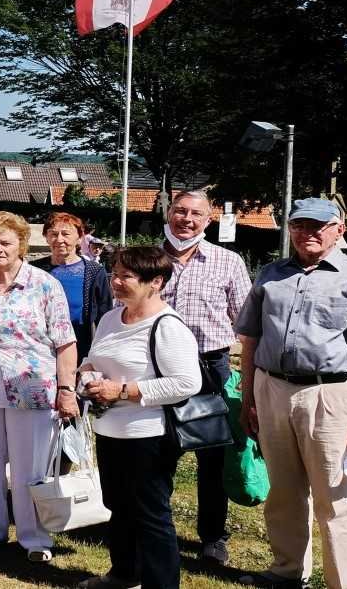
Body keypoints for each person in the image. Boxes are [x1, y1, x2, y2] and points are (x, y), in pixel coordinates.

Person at [235, 198, 347, 589]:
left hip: (331, 395)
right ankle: (287, 571)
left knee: (333, 498)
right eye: (300, 224)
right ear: (289, 229)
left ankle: (346, 584)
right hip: (271, 388)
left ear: (339, 229)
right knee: (283, 493)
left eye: (319, 225)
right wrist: (249, 397)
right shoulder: (270, 275)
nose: (309, 232)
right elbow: (250, 340)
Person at [78, 246, 202, 589]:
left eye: (125, 276)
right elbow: (92, 359)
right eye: (113, 274)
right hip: (109, 430)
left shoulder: (167, 326)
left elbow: (186, 383)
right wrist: (87, 377)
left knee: (150, 516)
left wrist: (122, 391)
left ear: (155, 282)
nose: (115, 282)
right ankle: (123, 575)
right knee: (118, 506)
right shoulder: (109, 319)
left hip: (149, 435)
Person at [0, 211, 79, 559]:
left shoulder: (44, 284)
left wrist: (66, 389)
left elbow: (65, 342)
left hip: (32, 386)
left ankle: (35, 539)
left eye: (5, 242)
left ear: (21, 244)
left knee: (30, 466)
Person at [158, 189, 252, 564]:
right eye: (180, 211)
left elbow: (246, 322)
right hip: (157, 367)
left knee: (211, 458)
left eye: (196, 214)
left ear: (208, 220)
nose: (187, 219)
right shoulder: (149, 259)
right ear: (169, 213)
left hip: (209, 367)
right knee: (158, 454)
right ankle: (154, 528)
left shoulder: (228, 262)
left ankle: (213, 537)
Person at [32, 211, 114, 361]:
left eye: (66, 234)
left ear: (79, 238)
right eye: (53, 234)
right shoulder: (33, 269)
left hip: (79, 345)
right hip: (40, 347)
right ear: (46, 237)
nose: (59, 239)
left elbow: (105, 314)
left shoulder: (94, 271)